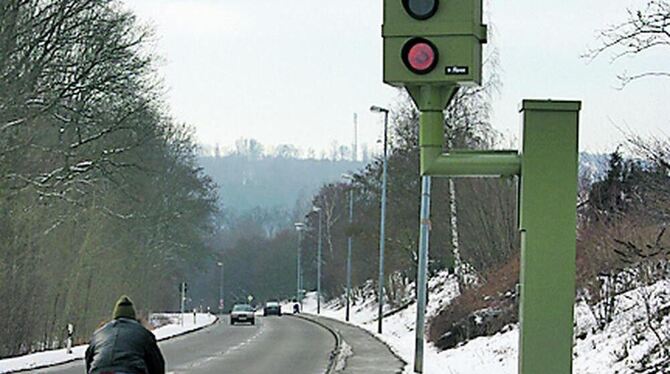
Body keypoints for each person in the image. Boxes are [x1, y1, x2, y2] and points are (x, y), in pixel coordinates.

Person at [85, 295, 165, 374]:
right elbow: (157, 364)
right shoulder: (143, 333)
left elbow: (89, 359)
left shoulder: (99, 333)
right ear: (133, 317)